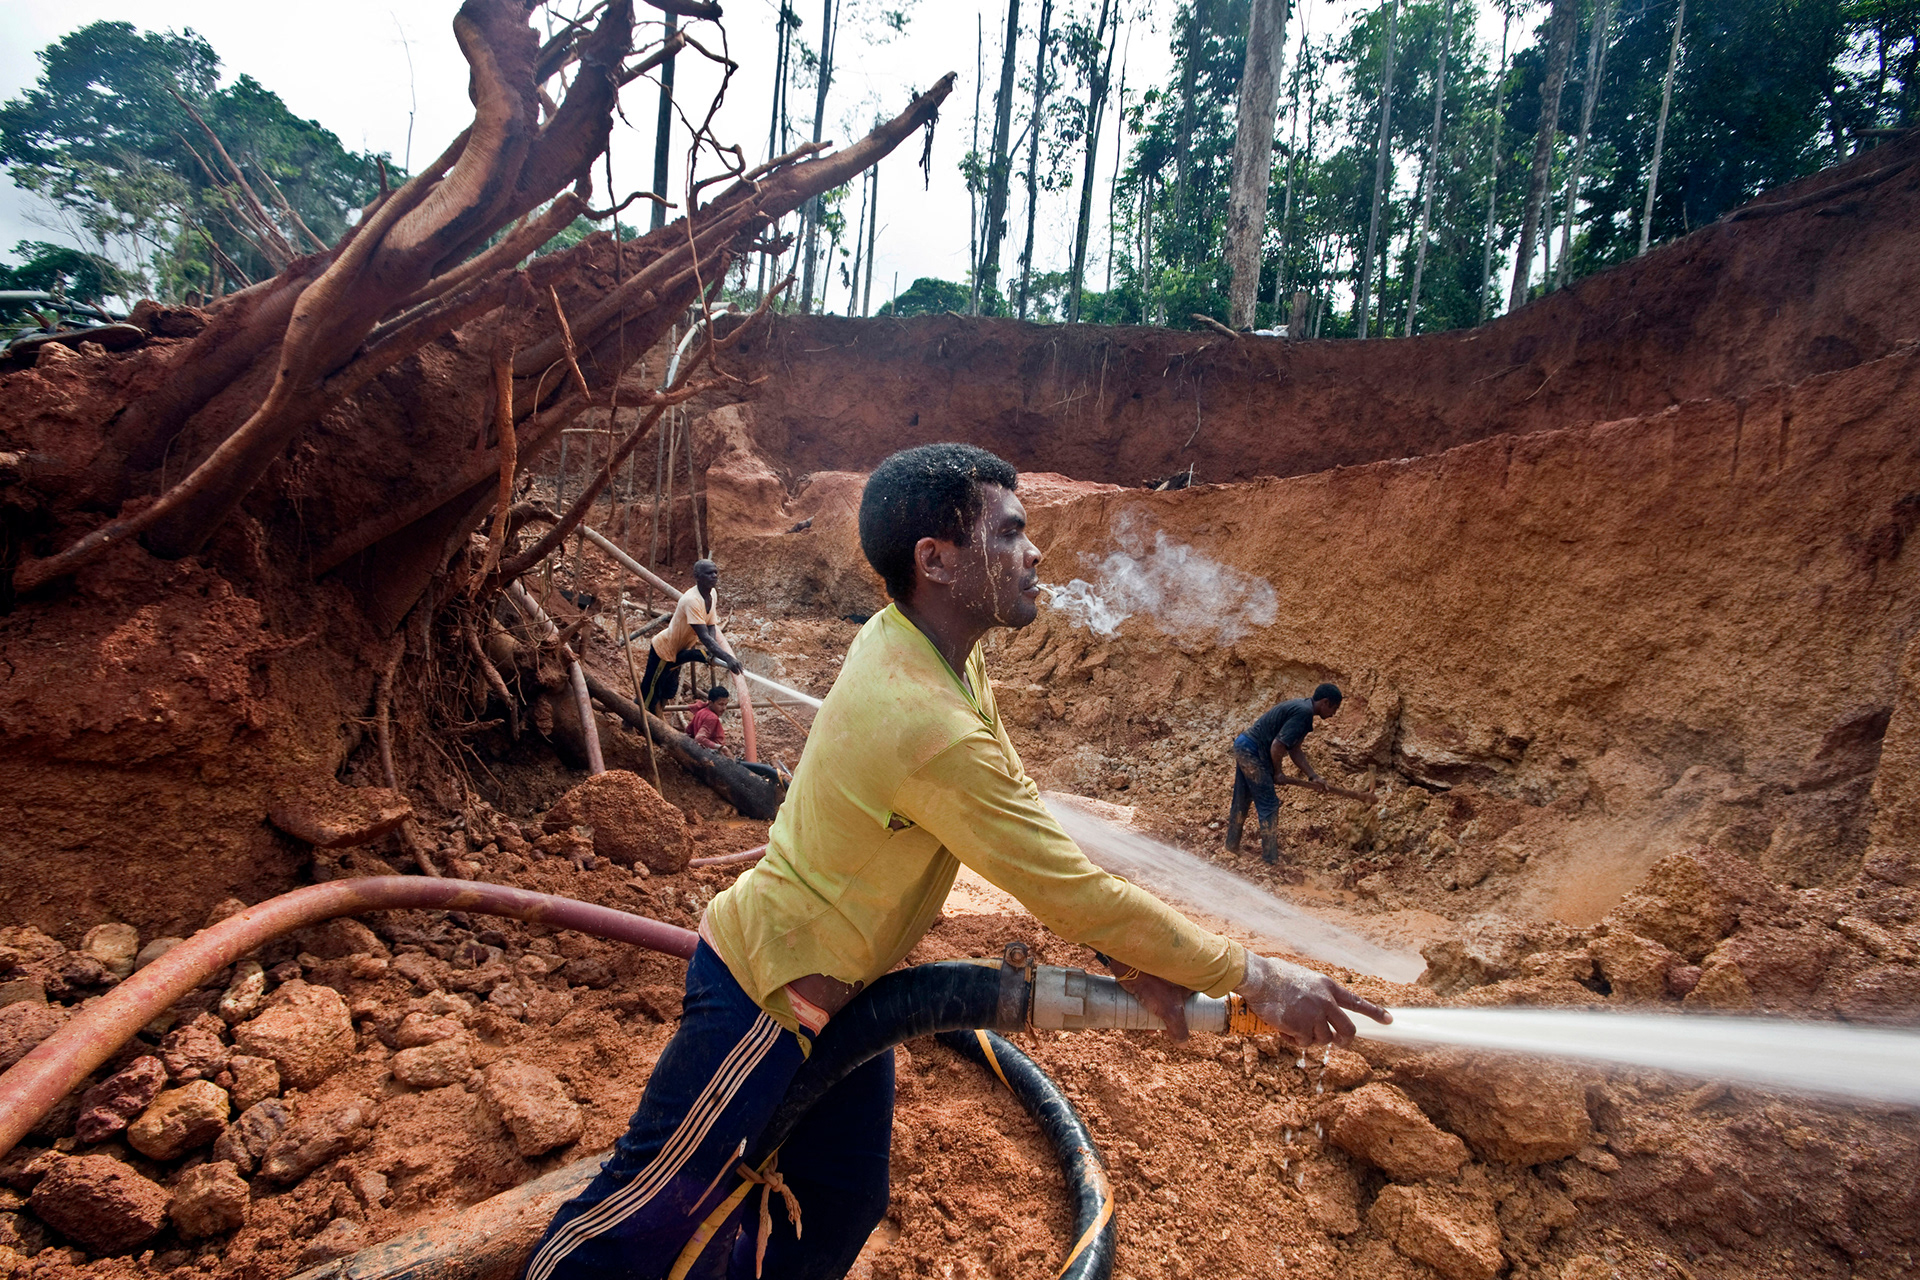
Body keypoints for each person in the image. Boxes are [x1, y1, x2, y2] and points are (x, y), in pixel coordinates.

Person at [521, 445, 1388, 1280]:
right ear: (935, 560)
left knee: (842, 1199)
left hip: (847, 1000)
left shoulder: (937, 655)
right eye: (1009, 531)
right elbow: (1071, 889)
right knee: (638, 1219)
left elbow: (1032, 830)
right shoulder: (924, 719)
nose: (1035, 549)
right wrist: (1258, 978)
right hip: (766, 992)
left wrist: (1127, 955)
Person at [1226, 683, 1344, 868]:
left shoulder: (1303, 708)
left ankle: (1231, 846)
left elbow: (1295, 750)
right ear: (1325, 702)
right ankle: (1270, 859)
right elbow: (1277, 746)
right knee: (1269, 803)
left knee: (1242, 797)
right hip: (1252, 750)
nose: (1333, 714)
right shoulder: (1303, 714)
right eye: (1334, 708)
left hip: (1245, 744)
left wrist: (1313, 776)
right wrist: (1278, 772)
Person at [642, 559, 743, 713]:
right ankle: (634, 723)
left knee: (669, 690)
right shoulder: (692, 600)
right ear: (697, 576)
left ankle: (657, 718)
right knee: (649, 693)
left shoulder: (712, 594)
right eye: (709, 573)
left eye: (715, 572)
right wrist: (727, 658)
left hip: (681, 650)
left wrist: (712, 653)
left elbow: (710, 626)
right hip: (664, 650)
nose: (714, 576)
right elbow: (704, 637)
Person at [688, 686, 729, 751]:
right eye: (720, 704)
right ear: (710, 703)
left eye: (725, 704)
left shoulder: (700, 712)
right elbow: (699, 738)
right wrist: (722, 748)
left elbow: (689, 731)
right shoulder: (712, 718)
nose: (724, 708)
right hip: (714, 755)